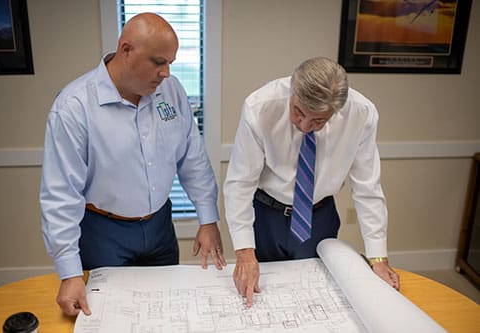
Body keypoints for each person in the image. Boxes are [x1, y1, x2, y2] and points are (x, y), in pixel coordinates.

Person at [40, 13, 226, 317]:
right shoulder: (75, 106)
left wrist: (208, 220)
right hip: (103, 232)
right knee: (110, 316)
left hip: (159, 227)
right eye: (158, 62)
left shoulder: (171, 90)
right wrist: (70, 273)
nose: (166, 73)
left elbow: (192, 157)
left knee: (167, 311)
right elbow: (61, 194)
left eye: (171, 63)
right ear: (126, 50)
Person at [223, 57, 400, 307]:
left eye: (318, 120)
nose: (305, 126)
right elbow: (240, 182)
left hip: (318, 217)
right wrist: (244, 251)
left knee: (314, 299)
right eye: (298, 112)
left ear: (336, 110)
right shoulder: (259, 107)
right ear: (292, 92)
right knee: (262, 300)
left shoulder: (361, 113)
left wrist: (378, 258)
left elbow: (367, 187)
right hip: (266, 215)